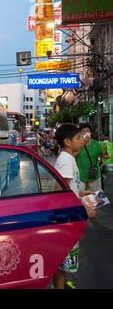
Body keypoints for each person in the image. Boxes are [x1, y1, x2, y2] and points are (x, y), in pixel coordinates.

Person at [52, 124, 96, 289]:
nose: (81, 141)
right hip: (65, 218)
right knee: (63, 259)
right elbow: (59, 190)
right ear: (67, 142)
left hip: (67, 216)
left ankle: (60, 284)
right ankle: (59, 286)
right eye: (78, 138)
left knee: (64, 260)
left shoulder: (68, 158)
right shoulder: (65, 160)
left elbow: (68, 187)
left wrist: (81, 193)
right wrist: (84, 208)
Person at [76, 123, 110, 193]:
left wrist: (105, 155)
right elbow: (74, 154)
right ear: (80, 133)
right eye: (83, 131)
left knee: (95, 198)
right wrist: (83, 143)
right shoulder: (77, 143)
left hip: (94, 175)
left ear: (90, 133)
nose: (86, 133)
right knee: (80, 198)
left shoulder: (96, 144)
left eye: (88, 131)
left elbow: (105, 155)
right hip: (80, 176)